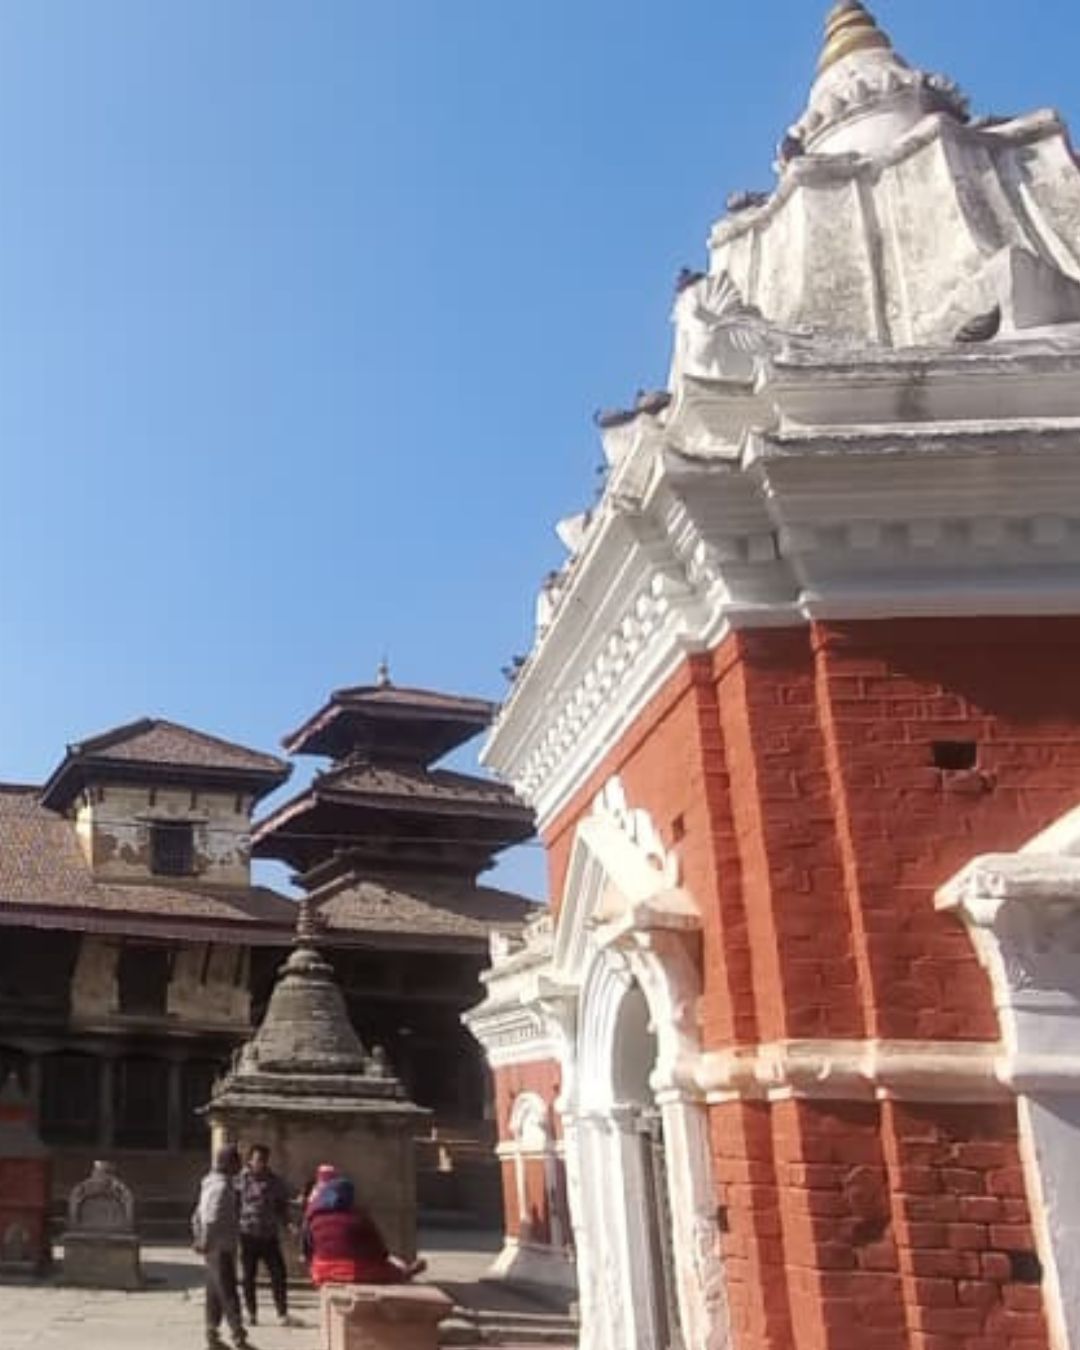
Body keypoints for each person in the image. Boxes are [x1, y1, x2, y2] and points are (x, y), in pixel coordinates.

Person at [301, 1176, 426, 1286]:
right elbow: (380, 1252)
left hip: (321, 1272)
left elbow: (308, 1249)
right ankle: (405, 1273)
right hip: (355, 1272)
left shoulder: (313, 1218)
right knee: (388, 1268)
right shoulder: (358, 1218)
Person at [192, 1144, 249, 1350]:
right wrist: (205, 1239)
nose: (239, 1166)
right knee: (228, 1291)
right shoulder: (222, 1186)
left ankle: (212, 1334)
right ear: (228, 1163)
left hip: (213, 1245)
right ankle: (238, 1336)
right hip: (220, 1246)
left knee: (214, 1291)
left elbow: (198, 1214)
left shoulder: (209, 1183)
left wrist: (199, 1236)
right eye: (237, 1162)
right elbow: (211, 1217)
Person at [237, 1144, 292, 1328]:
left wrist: (288, 1223)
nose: (260, 1163)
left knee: (278, 1274)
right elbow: (233, 1205)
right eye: (257, 1159)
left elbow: (281, 1206)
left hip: (268, 1235)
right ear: (250, 1159)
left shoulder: (274, 1181)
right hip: (248, 1233)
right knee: (248, 1276)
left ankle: (282, 1313)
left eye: (263, 1159)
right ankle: (251, 1313)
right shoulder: (240, 1180)